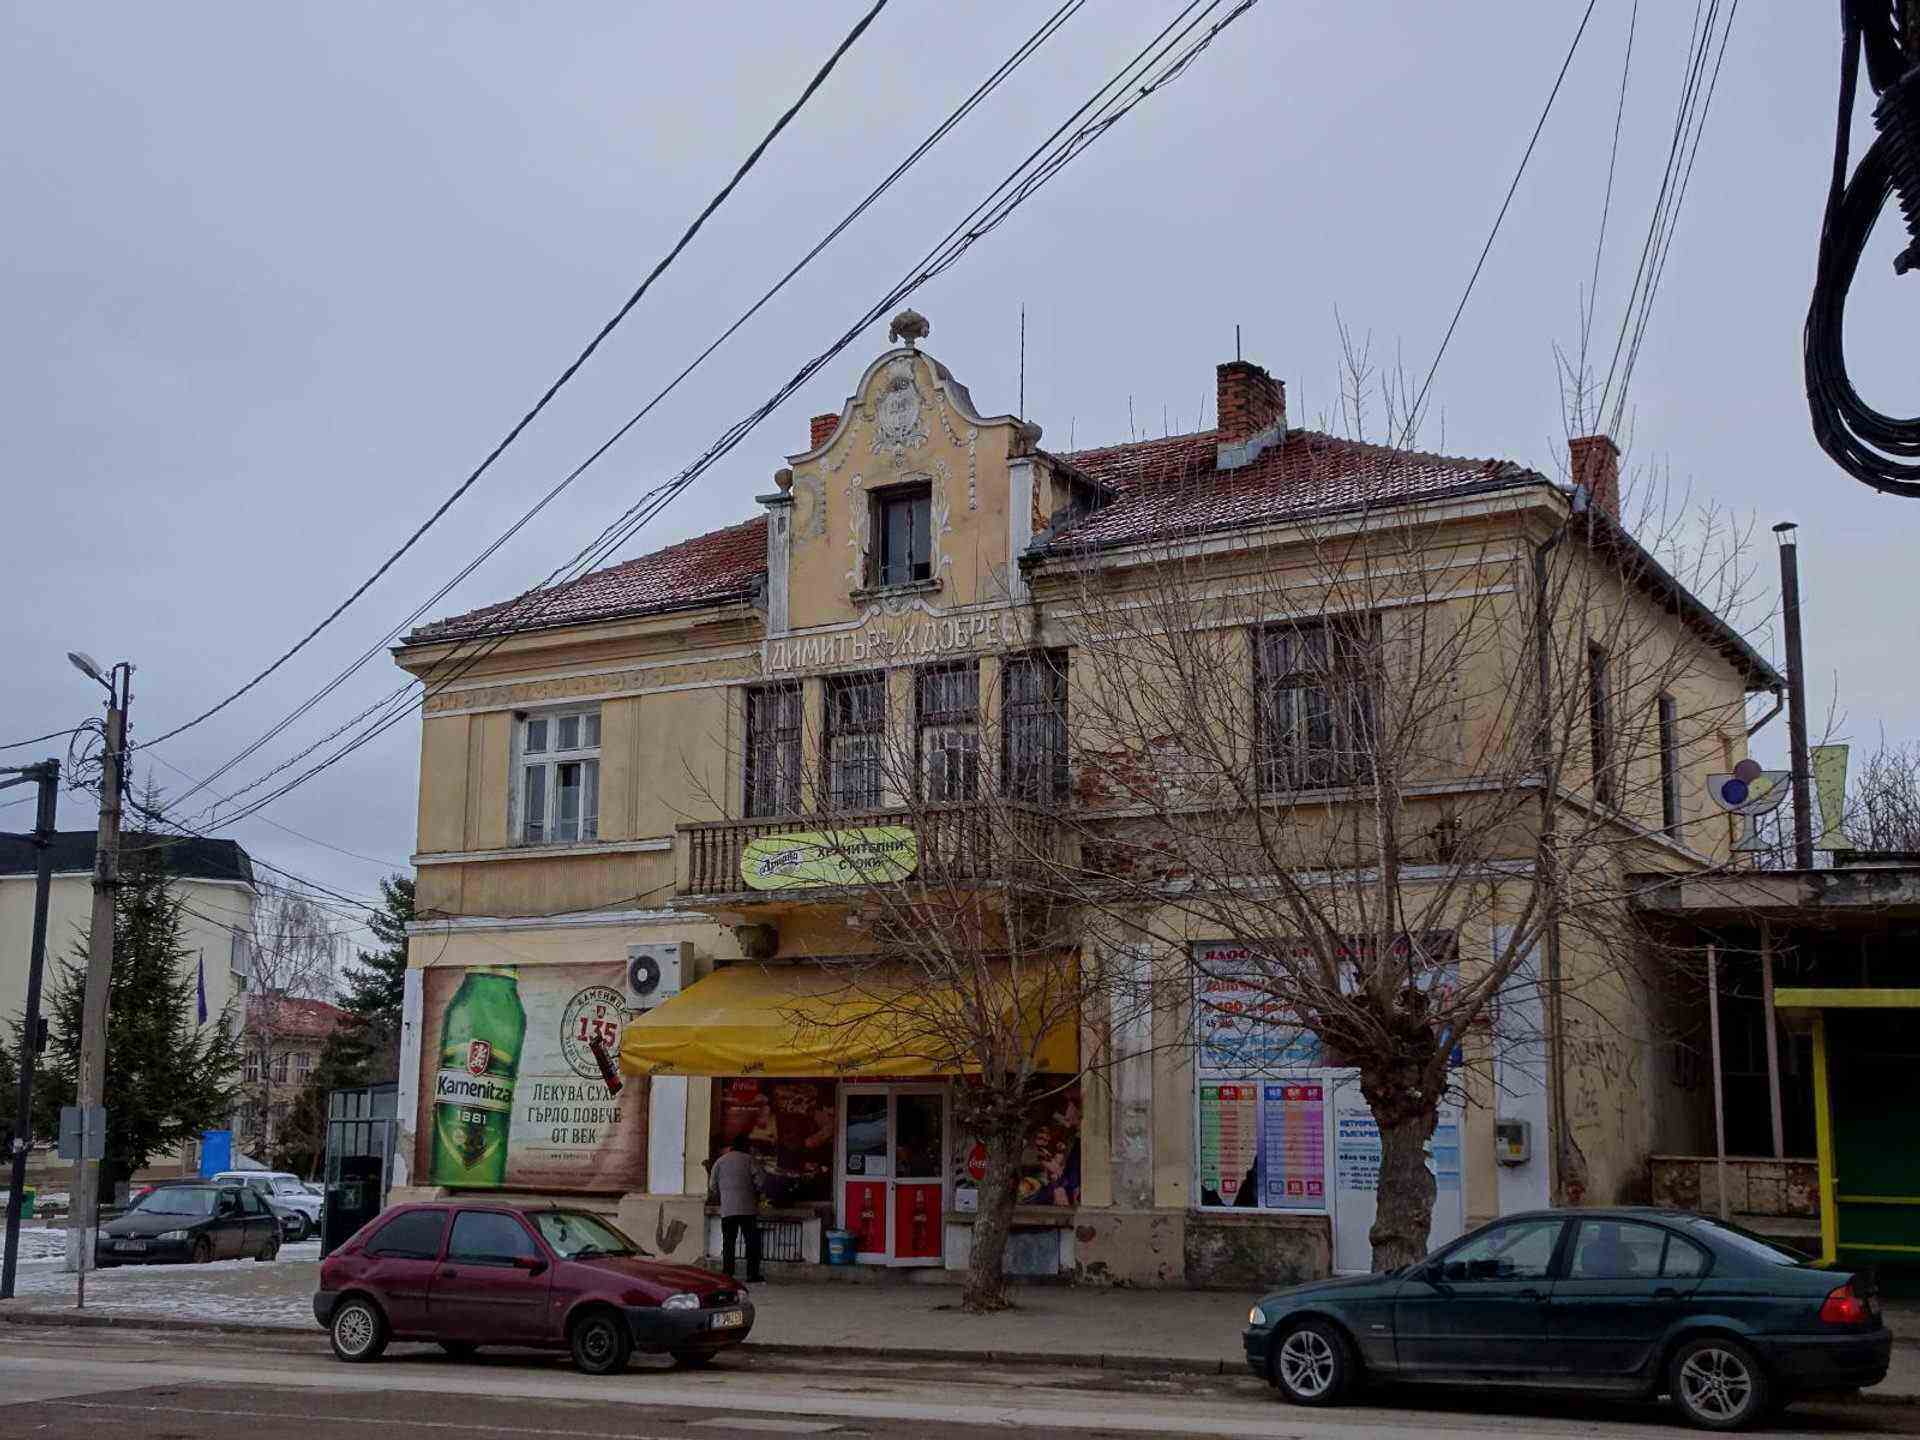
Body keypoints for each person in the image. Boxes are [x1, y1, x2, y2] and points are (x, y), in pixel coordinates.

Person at [707, 1133, 765, 1281]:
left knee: (729, 1242)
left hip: (728, 1209)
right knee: (751, 1243)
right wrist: (755, 1191)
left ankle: (728, 1273)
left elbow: (712, 1185)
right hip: (748, 1209)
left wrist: (723, 1194)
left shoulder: (720, 1161)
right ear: (745, 1146)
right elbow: (760, 1181)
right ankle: (752, 1274)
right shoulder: (749, 1160)